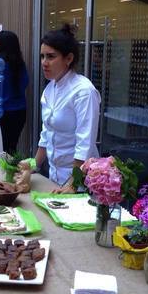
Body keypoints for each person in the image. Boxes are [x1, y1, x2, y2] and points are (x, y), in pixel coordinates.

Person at [34, 24, 101, 192]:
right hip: (55, 175)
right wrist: (32, 165)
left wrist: (73, 183)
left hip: (81, 179)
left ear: (68, 59)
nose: (44, 63)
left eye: (50, 56)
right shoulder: (50, 88)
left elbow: (85, 142)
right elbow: (46, 133)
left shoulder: (84, 91)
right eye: (42, 56)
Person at [0, 30, 28, 153]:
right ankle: (11, 170)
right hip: (19, 111)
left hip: (2, 112)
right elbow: (24, 84)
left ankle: (4, 171)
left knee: (1, 147)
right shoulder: (20, 64)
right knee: (12, 146)